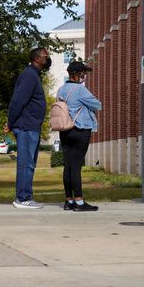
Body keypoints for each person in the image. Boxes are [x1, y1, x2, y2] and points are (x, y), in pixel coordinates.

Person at [6, 47, 50, 209]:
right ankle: (22, 198)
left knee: (30, 163)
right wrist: (10, 122)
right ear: (37, 58)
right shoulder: (29, 75)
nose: (47, 58)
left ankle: (26, 196)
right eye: (45, 56)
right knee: (26, 163)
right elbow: (18, 100)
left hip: (31, 126)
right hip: (26, 126)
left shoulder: (34, 75)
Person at [57, 61, 102, 212]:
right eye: (83, 72)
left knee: (68, 166)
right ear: (77, 74)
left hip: (65, 130)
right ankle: (80, 202)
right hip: (80, 130)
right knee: (76, 166)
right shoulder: (80, 90)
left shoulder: (61, 90)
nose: (85, 75)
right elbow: (97, 105)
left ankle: (68, 201)